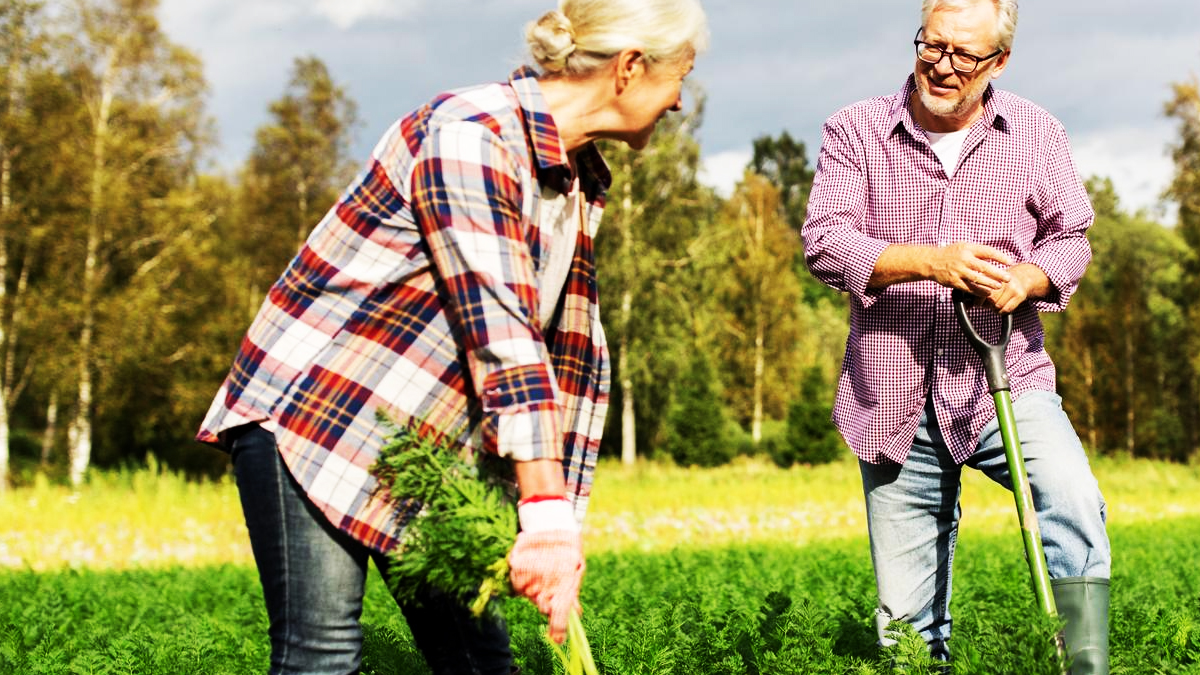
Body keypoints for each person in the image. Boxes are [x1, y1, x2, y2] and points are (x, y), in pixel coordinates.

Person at [196, 1, 708, 673]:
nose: (679, 103)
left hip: (424, 449)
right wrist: (546, 508)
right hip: (318, 418)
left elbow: (563, 350)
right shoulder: (472, 136)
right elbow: (502, 332)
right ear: (630, 67)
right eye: (682, 77)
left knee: (477, 658)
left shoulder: (573, 176)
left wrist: (535, 501)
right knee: (321, 655)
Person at [801, 0, 1109, 672]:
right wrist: (929, 260)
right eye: (931, 45)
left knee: (1074, 498)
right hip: (891, 393)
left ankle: (1086, 665)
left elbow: (1072, 238)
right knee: (907, 622)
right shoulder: (855, 130)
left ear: (998, 62)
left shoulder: (1034, 133)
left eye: (963, 55)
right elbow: (825, 242)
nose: (941, 66)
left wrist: (1029, 277)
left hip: (1006, 378)